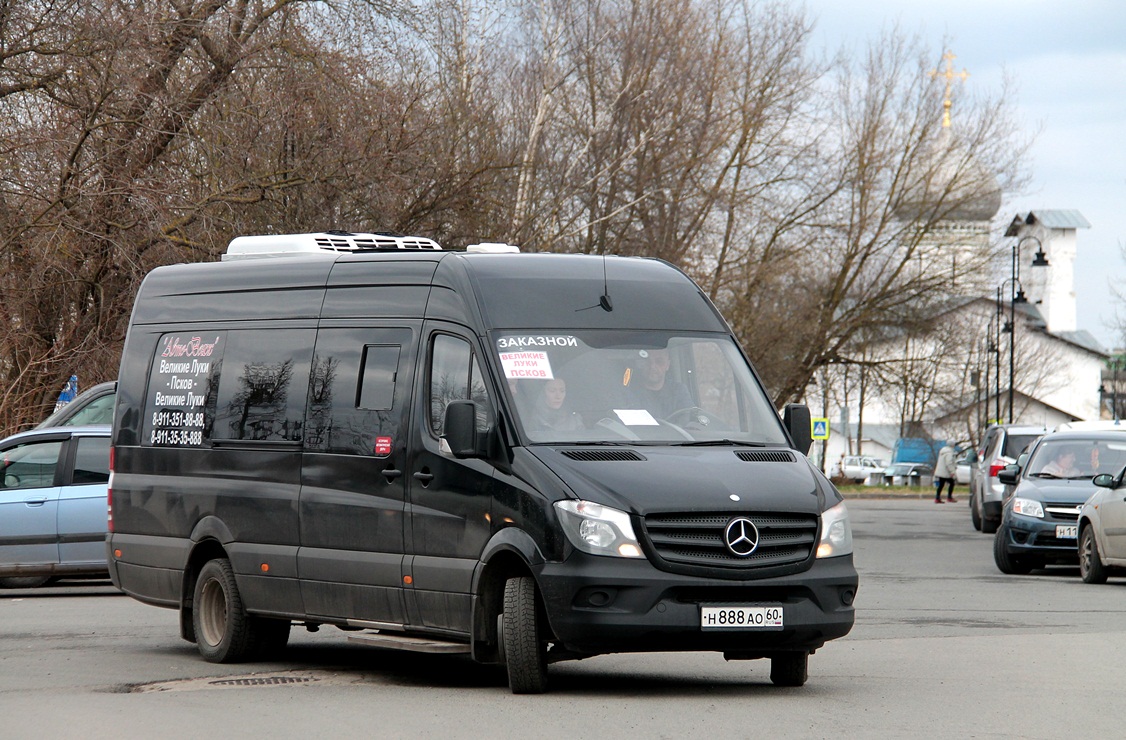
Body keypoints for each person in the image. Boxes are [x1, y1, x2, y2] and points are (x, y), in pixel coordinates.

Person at [626, 348, 693, 419]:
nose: (652, 366)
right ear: (640, 364)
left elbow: (692, 420)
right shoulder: (628, 393)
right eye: (647, 361)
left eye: (659, 361)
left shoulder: (679, 392)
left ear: (667, 365)